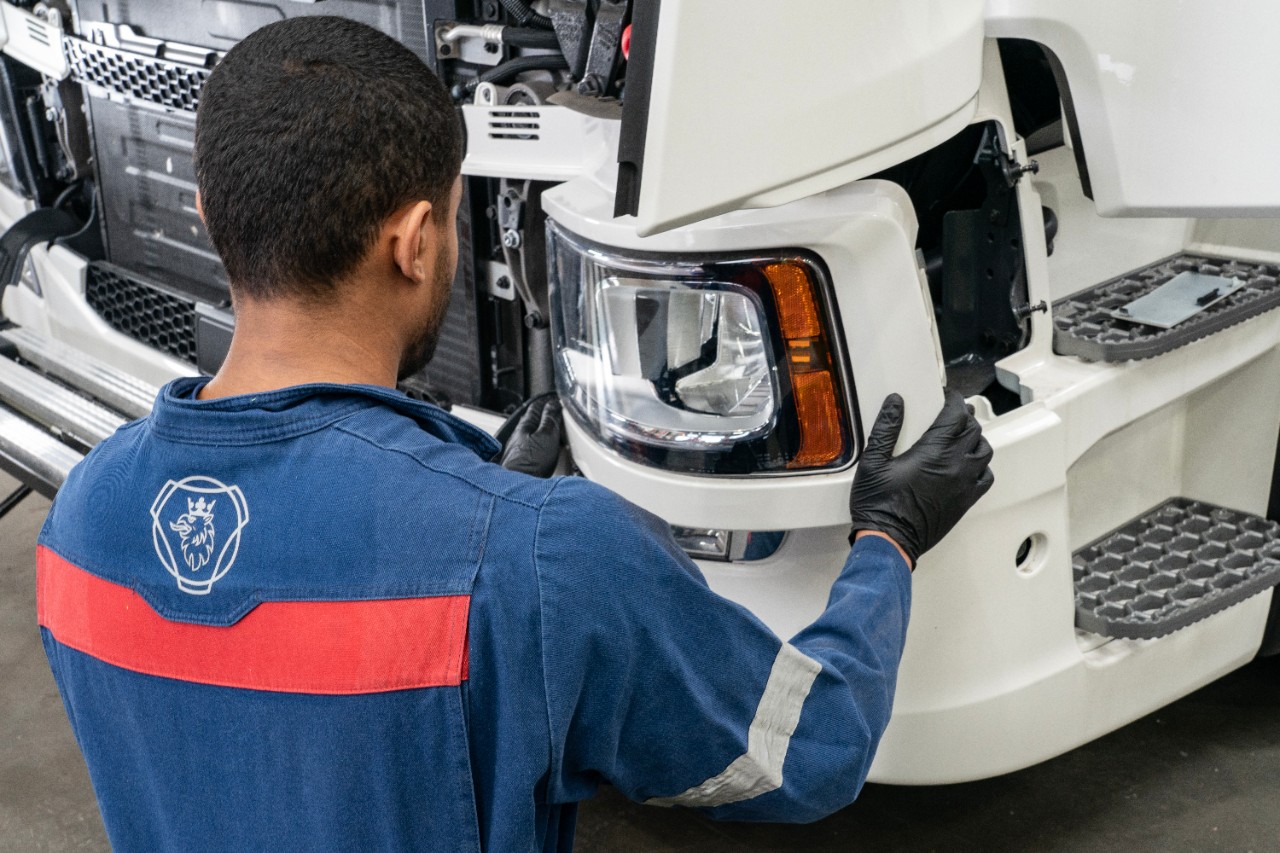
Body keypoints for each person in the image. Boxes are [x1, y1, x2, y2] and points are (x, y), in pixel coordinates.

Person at [36, 15, 993, 852]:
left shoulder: (79, 522)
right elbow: (807, 750)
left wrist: (475, 484)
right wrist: (889, 540)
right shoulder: (549, 559)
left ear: (210, 218)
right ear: (414, 241)